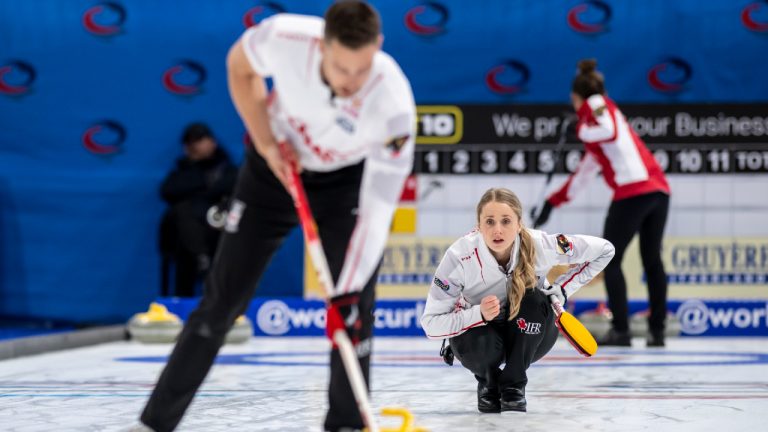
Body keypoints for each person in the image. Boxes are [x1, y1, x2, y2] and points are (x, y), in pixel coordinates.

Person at [137, 1, 415, 431]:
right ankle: (154, 423)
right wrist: (266, 144)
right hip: (272, 172)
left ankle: (344, 423)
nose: (352, 83)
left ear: (378, 46)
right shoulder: (284, 36)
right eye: (342, 69)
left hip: (344, 186)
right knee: (221, 302)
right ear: (322, 45)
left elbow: (378, 213)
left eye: (362, 70)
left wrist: (346, 290)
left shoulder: (394, 106)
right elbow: (238, 67)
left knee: (353, 305)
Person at [421, 188, 614, 413]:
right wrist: (478, 314)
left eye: (506, 221)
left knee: (534, 298)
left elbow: (605, 250)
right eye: (490, 222)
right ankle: (488, 384)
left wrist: (563, 288)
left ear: (519, 224)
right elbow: (430, 324)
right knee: (480, 342)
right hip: (479, 340)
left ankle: (514, 386)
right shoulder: (459, 257)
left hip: (531, 336)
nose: (498, 230)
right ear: (478, 225)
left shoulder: (542, 244)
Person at [532, 59, 671, 347]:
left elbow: (608, 130)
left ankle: (621, 330)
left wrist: (580, 127)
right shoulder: (597, 135)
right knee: (652, 260)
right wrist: (552, 201)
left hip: (634, 192)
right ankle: (657, 331)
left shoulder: (597, 104)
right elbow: (583, 174)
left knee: (610, 258)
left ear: (575, 97)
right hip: (659, 191)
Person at [158, 122, 237, 297]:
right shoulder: (182, 171)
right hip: (186, 239)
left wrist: (205, 192)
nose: (195, 146)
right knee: (183, 213)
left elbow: (235, 189)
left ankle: (204, 260)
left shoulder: (228, 169)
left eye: (199, 140)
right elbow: (167, 191)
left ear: (212, 142)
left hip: (219, 231)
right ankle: (201, 259)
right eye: (190, 143)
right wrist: (204, 182)